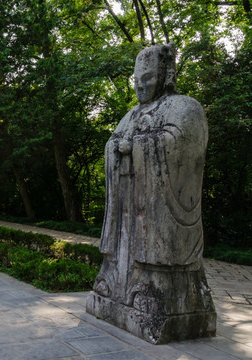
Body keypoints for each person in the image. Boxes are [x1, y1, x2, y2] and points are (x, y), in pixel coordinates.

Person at [87, 43, 214, 343]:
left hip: (155, 211)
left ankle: (153, 289)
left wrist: (138, 146)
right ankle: (115, 284)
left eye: (147, 77)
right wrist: (117, 149)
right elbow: (112, 143)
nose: (140, 85)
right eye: (136, 79)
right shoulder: (131, 114)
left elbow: (182, 145)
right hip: (128, 207)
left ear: (165, 74)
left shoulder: (185, 107)